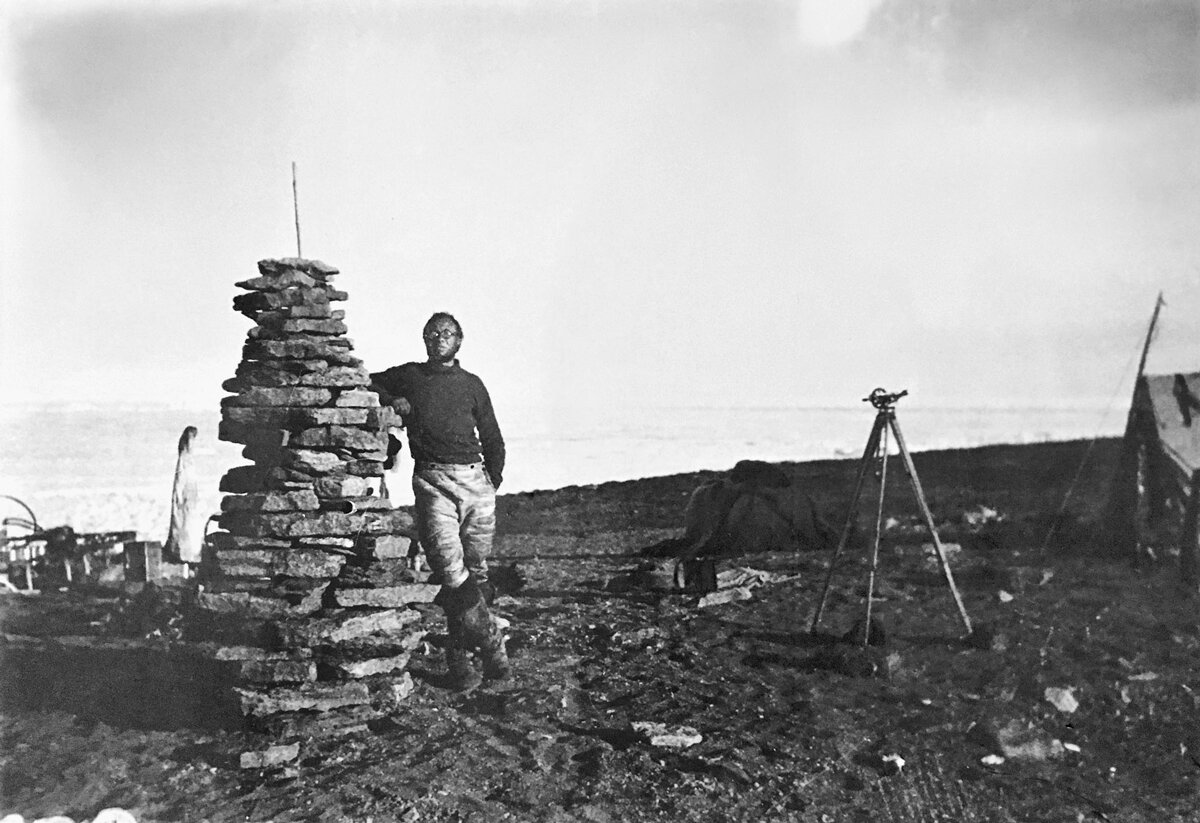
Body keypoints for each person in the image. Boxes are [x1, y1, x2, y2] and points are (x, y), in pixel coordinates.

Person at [370, 312, 509, 690]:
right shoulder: (411, 376)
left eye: (446, 333)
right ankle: (494, 647)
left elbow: (493, 437)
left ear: (459, 340)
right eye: (432, 333)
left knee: (474, 575)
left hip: (475, 482)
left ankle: (460, 663)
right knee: (453, 573)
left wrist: (490, 481)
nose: (438, 338)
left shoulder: (472, 384)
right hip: (433, 481)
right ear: (424, 339)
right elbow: (367, 382)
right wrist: (393, 399)